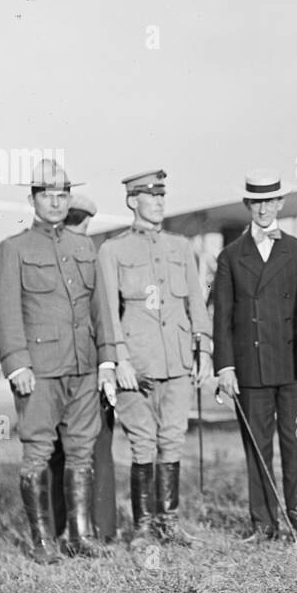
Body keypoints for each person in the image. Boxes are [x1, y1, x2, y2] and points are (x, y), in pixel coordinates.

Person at [0, 160, 110, 562]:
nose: (56, 202)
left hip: (84, 366)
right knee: (38, 451)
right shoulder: (14, 248)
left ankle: (79, 534)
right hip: (39, 370)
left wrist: (107, 360)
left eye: (63, 195)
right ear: (33, 199)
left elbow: (101, 310)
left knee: (81, 450)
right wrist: (16, 363)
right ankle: (43, 542)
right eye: (47, 195)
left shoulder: (84, 247)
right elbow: (4, 311)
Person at [96, 170, 213, 547]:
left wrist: (204, 349)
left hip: (178, 362)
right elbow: (108, 312)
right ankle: (144, 527)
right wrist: (120, 361)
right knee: (143, 443)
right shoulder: (113, 250)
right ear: (133, 200)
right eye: (151, 195)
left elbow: (196, 301)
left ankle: (169, 524)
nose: (159, 201)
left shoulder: (181, 247)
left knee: (173, 440)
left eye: (163, 194)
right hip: (138, 365)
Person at [212, 171, 297, 542]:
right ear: (248, 205)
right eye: (256, 202)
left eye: (270, 201)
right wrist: (225, 367)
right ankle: (263, 523)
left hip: (294, 374)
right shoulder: (230, 256)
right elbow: (223, 316)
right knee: (256, 448)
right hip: (250, 373)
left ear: (280, 204)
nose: (263, 208)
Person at [48, 192, 119, 545]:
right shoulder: (92, 258)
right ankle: (94, 529)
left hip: (74, 370)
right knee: (94, 448)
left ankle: (71, 528)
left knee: (60, 450)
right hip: (85, 371)